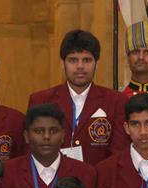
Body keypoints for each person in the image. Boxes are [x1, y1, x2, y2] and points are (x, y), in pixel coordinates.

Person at [28, 29, 129, 165]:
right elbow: (33, 150)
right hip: (54, 182)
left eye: (86, 60)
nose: (80, 66)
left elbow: (118, 153)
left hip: (98, 181)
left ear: (97, 63)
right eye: (73, 60)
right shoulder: (41, 100)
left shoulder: (116, 101)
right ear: (62, 63)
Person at [0, 103, 97, 188]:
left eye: (53, 131)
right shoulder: (6, 172)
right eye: (39, 131)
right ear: (26, 136)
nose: (46, 137)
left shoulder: (85, 173)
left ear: (63, 135)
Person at [122, 21, 148, 99]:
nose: (141, 57)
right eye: (136, 52)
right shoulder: (119, 101)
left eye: (147, 52)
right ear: (128, 59)